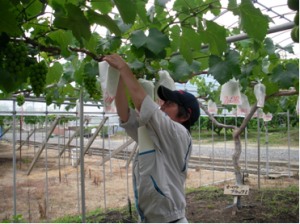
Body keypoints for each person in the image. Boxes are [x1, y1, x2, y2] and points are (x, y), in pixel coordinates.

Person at [103, 54, 200, 224]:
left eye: (169, 104)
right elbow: (125, 114)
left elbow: (144, 105)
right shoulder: (155, 134)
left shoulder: (179, 134)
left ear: (185, 116)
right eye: (163, 102)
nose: (161, 106)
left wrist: (124, 68)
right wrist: (118, 77)